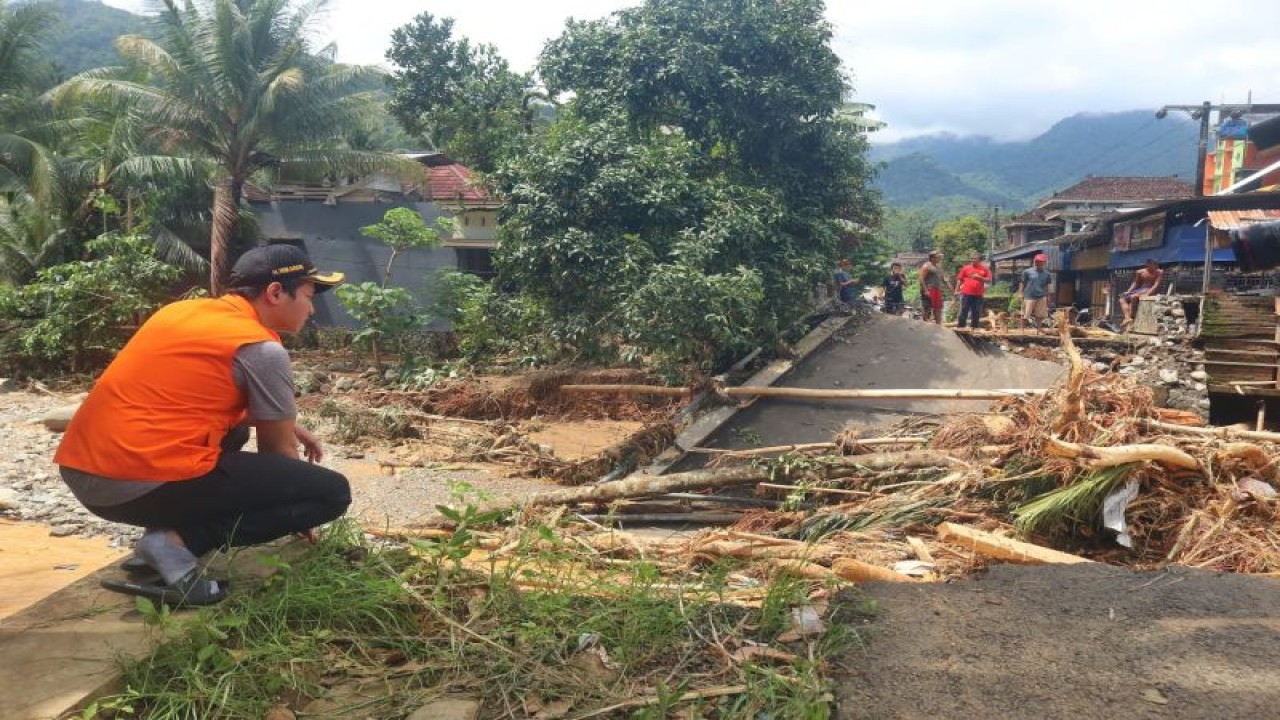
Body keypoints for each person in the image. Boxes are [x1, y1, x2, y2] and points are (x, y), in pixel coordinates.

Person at [54, 244, 352, 607]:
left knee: (236, 430)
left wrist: (284, 424)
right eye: (308, 296)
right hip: (134, 485)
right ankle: (175, 545)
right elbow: (277, 452)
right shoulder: (261, 349)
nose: (311, 308)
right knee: (332, 492)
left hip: (84, 472)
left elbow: (184, 395)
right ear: (275, 293)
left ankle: (163, 535)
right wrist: (296, 504)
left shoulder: (181, 312)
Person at [1119, 259, 1164, 331]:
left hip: (1150, 290)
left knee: (1134, 297)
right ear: (1148, 265)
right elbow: (1136, 283)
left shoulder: (1159, 272)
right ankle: (1127, 318)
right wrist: (1128, 291)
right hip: (1141, 289)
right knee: (1122, 299)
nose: (1155, 266)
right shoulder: (1140, 272)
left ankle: (1131, 318)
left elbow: (1156, 285)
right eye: (1153, 265)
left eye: (1156, 265)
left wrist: (1148, 294)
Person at [954, 253, 992, 329]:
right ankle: (961, 327)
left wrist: (979, 278)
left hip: (978, 294)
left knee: (976, 312)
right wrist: (956, 290)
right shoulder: (966, 268)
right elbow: (959, 280)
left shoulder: (985, 269)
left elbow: (989, 280)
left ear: (979, 260)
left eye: (975, 259)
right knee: (964, 310)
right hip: (966, 293)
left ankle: (974, 327)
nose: (973, 260)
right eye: (972, 258)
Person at [1016, 253, 1054, 329]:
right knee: (1025, 315)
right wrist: (1020, 293)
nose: (1038, 263)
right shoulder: (1027, 272)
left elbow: (1048, 286)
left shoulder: (1047, 274)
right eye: (1037, 261)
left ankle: (1039, 330)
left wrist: (1049, 297)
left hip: (1041, 296)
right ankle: (1021, 330)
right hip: (1029, 296)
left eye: (1040, 261)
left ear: (1044, 262)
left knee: (1040, 315)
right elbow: (1022, 283)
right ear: (1034, 262)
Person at [919, 251, 944, 324]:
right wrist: (925, 290)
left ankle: (938, 324)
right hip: (929, 289)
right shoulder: (926, 266)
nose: (939, 258)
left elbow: (943, 279)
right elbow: (921, 279)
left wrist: (951, 288)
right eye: (937, 257)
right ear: (932, 258)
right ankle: (925, 323)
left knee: (938, 308)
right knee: (927, 307)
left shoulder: (939, 267)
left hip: (937, 289)